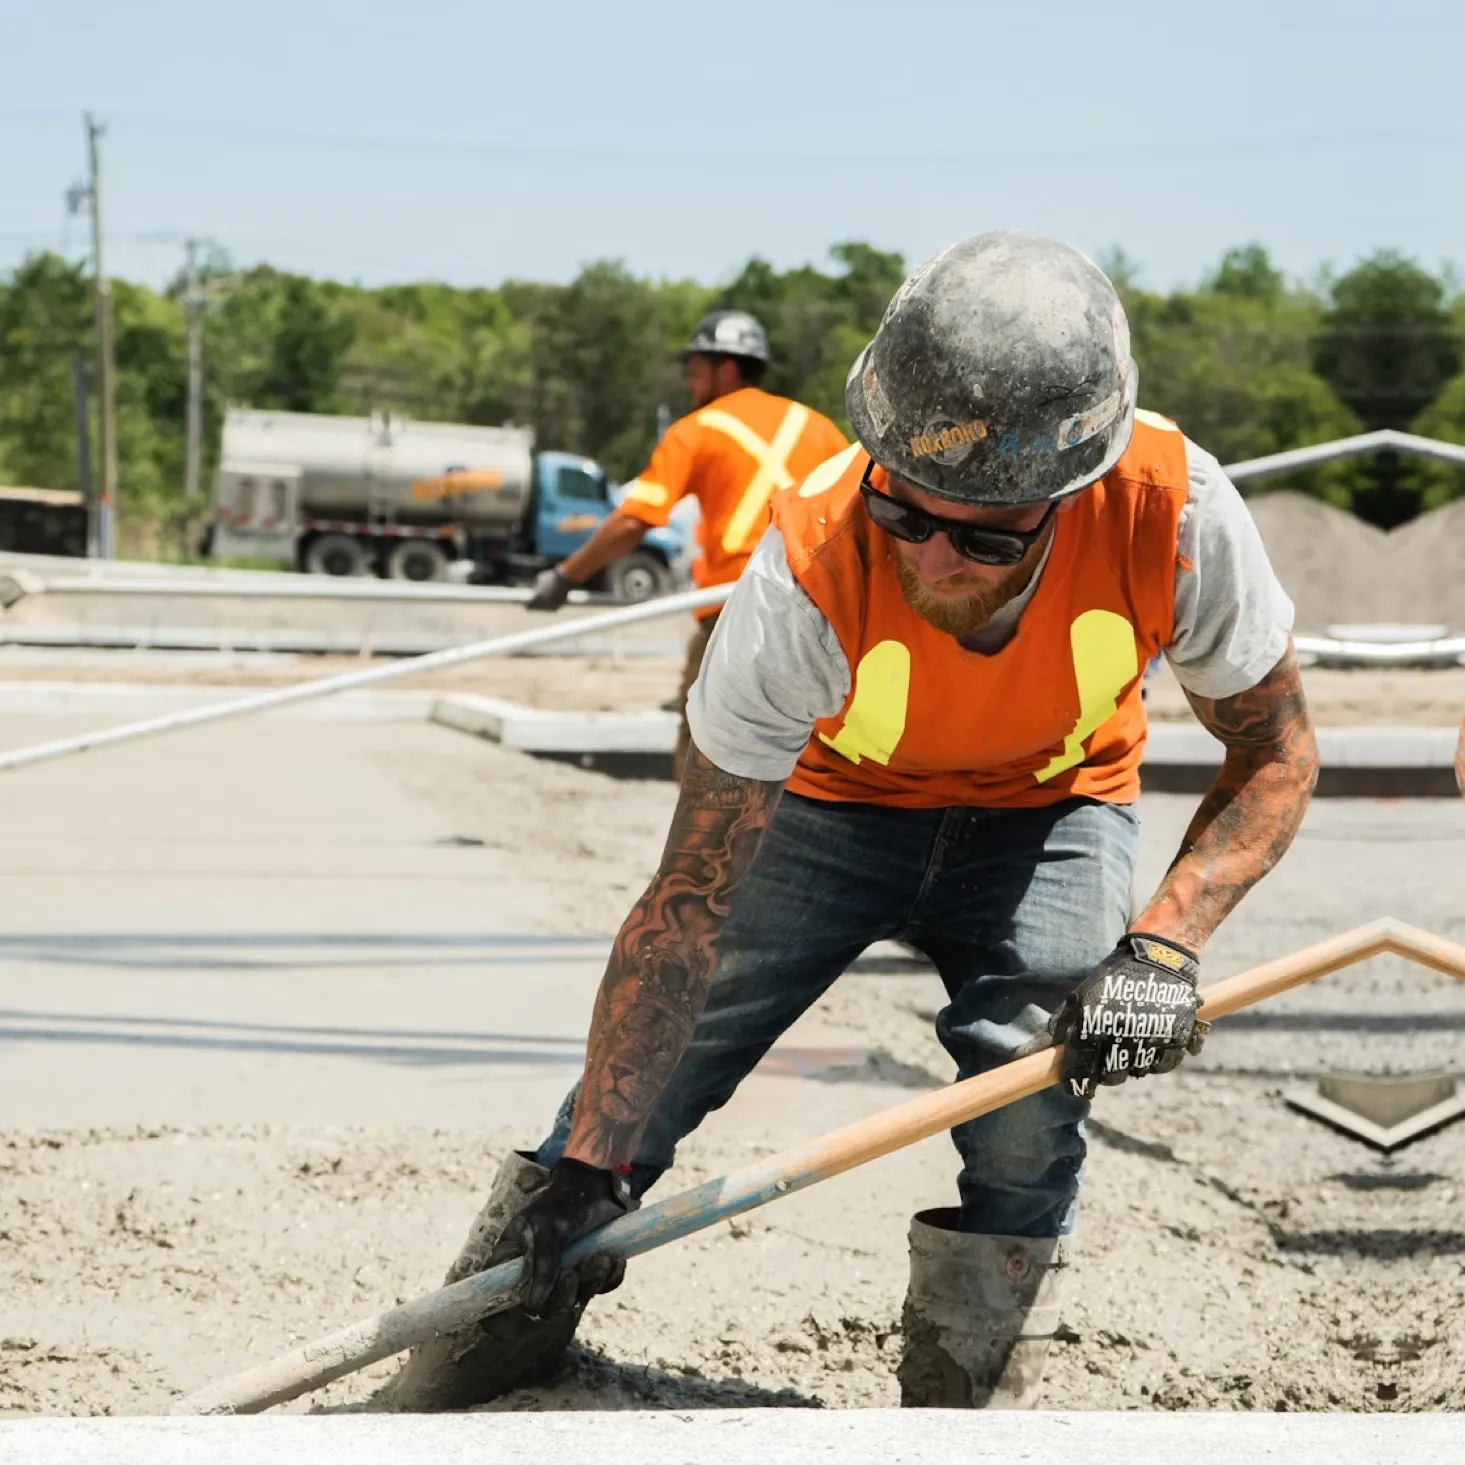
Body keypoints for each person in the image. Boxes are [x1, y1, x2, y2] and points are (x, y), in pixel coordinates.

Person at [393, 232, 1319, 1412]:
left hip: (1054, 809)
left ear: (1070, 490)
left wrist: (1166, 945)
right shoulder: (805, 562)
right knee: (633, 1091)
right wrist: (590, 1161)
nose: (933, 553)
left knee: (1031, 1099)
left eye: (985, 535)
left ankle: (964, 1399)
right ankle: (480, 1354)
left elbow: (1278, 751)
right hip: (831, 811)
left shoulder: (1175, 512)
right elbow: (683, 905)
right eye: (907, 515)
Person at [524, 310, 848, 778]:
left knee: (709, 755)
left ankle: (709, 852)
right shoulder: (818, 428)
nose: (689, 385)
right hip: (823, 612)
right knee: (807, 755)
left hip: (734, 610)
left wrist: (565, 577)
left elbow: (636, 519)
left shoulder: (697, 429)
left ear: (728, 368)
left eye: (696, 371)